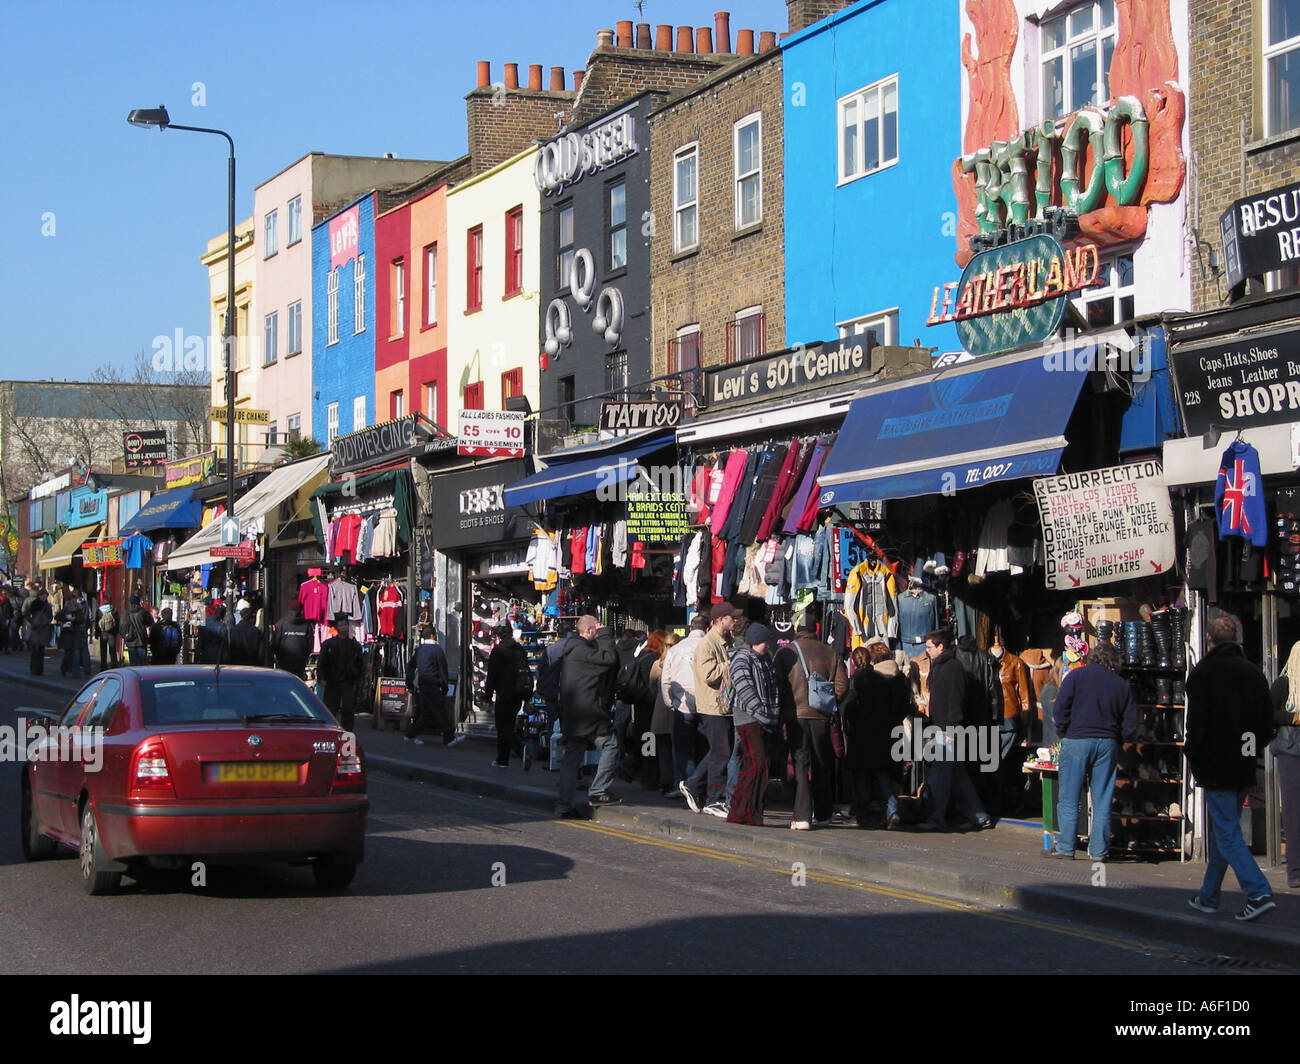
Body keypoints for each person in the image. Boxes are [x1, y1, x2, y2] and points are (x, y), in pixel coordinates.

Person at [1185, 615, 1276, 921]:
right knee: (1225, 831)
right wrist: (1248, 750)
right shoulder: (1253, 673)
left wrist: (1194, 756)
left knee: (1226, 832)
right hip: (1242, 763)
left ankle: (1258, 891)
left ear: (1209, 641)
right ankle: (1209, 896)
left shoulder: (1203, 674)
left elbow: (1196, 726)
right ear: (1237, 639)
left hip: (1215, 764)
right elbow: (1263, 724)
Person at [1045, 640, 1137, 860]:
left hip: (1076, 739)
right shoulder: (1120, 684)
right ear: (1114, 661)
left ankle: (1066, 847)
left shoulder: (1076, 677)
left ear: (1093, 657)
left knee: (1069, 796)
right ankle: (1098, 851)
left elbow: (1059, 708)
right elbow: (1131, 722)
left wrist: (1063, 730)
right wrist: (1120, 738)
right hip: (1107, 743)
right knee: (1102, 799)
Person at [773, 618, 848, 830]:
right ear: (815, 630)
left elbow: (777, 684)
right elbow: (843, 684)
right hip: (821, 715)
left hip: (794, 714)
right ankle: (824, 813)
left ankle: (802, 815)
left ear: (797, 631)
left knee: (801, 763)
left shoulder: (785, 653)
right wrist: (828, 703)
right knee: (821, 763)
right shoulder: (829, 652)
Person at [915, 628, 992, 833]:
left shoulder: (952, 668)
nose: (927, 651)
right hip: (942, 728)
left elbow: (955, 701)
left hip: (947, 731)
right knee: (958, 775)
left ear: (941, 646)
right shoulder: (941, 666)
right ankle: (979, 816)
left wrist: (952, 730)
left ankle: (936, 817)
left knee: (940, 776)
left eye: (930, 647)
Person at [555, 615, 621, 817]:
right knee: (611, 745)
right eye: (596, 628)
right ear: (590, 630)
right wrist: (605, 634)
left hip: (572, 715)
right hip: (589, 713)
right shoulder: (583, 651)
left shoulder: (572, 649)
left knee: (572, 758)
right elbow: (609, 659)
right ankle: (599, 791)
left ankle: (564, 805)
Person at [680, 602, 740, 816]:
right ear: (721, 619)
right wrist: (731, 663)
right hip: (712, 706)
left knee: (719, 751)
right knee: (721, 753)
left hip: (723, 705)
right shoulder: (707, 644)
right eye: (732, 617)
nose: (736, 620)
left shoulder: (727, 641)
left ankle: (693, 784)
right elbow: (709, 674)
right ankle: (714, 799)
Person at [726, 623, 779, 825]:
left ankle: (748, 812)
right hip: (748, 718)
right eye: (766, 640)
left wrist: (769, 715)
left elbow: (771, 687)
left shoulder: (764, 659)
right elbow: (744, 687)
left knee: (753, 764)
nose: (768, 644)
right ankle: (743, 811)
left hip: (762, 718)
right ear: (757, 641)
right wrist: (761, 712)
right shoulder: (742, 658)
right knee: (758, 763)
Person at [662, 614, 707, 790]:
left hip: (682, 706)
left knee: (681, 749)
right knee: (704, 749)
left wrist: (670, 703)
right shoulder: (711, 646)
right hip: (706, 706)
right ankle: (699, 785)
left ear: (690, 629)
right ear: (707, 628)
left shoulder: (676, 649)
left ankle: (681, 783)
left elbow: (665, 680)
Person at [1269, 640, 1300, 890]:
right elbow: (1266, 711)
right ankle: (1295, 869)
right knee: (1294, 811)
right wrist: (1294, 717)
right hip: (1291, 751)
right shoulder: (1286, 683)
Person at [485, 625, 531, 768]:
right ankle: (502, 759)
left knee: (502, 728)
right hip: (518, 694)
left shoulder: (498, 651)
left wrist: (487, 697)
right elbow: (525, 672)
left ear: (498, 637)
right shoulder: (520, 650)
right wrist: (527, 697)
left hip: (504, 694)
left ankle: (520, 748)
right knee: (508, 725)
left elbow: (491, 676)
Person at [405, 625, 453, 745]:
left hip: (423, 685)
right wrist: (445, 686)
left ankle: (410, 734)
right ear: (433, 635)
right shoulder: (437, 650)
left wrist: (410, 683)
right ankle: (449, 738)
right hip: (433, 685)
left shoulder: (420, 650)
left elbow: (410, 666)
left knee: (427, 713)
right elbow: (443, 669)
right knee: (440, 712)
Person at [318, 613, 365, 730]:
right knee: (330, 709)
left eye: (345, 625)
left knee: (348, 709)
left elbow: (360, 664)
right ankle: (329, 730)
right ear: (337, 627)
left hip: (348, 681)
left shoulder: (354, 645)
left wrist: (357, 676)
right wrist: (322, 678)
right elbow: (322, 662)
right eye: (341, 625)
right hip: (332, 680)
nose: (344, 627)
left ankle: (347, 732)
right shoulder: (329, 644)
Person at [647, 631, 680, 797]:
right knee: (678, 748)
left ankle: (665, 781)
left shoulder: (657, 664)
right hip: (677, 710)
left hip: (660, 710)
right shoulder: (679, 663)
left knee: (662, 749)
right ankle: (677, 781)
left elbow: (651, 687)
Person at [56, 589, 92, 678]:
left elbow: (82, 620)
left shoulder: (79, 610)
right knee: (68, 654)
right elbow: (57, 616)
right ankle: (64, 669)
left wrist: (75, 619)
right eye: (72, 600)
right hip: (67, 634)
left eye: (75, 600)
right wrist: (66, 619)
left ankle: (75, 673)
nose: (74, 602)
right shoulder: (66, 609)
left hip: (76, 634)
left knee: (76, 654)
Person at [270, 604, 313, 678]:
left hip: (283, 662)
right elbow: (310, 644)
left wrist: (278, 656)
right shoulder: (307, 625)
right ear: (301, 611)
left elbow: (275, 642)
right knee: (297, 683)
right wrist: (304, 657)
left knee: (283, 682)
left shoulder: (281, 623)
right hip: (300, 662)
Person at [23, 590, 54, 676]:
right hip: (36, 629)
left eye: (45, 596)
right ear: (39, 596)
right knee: (35, 651)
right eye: (43, 596)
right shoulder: (35, 604)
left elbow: (50, 616)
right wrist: (32, 621)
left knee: (41, 651)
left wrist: (47, 622)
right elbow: (26, 614)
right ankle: (34, 669)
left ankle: (40, 670)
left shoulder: (47, 606)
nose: (44, 597)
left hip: (44, 629)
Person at [120, 595, 153, 665]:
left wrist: (125, 636)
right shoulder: (142, 611)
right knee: (142, 663)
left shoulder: (125, 612)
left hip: (130, 640)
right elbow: (150, 622)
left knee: (133, 663)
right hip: (141, 640)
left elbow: (121, 626)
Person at [96, 603, 121, 670]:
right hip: (112, 633)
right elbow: (117, 621)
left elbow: (96, 622)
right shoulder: (113, 610)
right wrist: (117, 631)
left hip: (103, 633)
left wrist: (97, 633)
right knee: (112, 649)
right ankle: (114, 665)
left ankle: (103, 666)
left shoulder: (99, 610)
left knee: (103, 650)